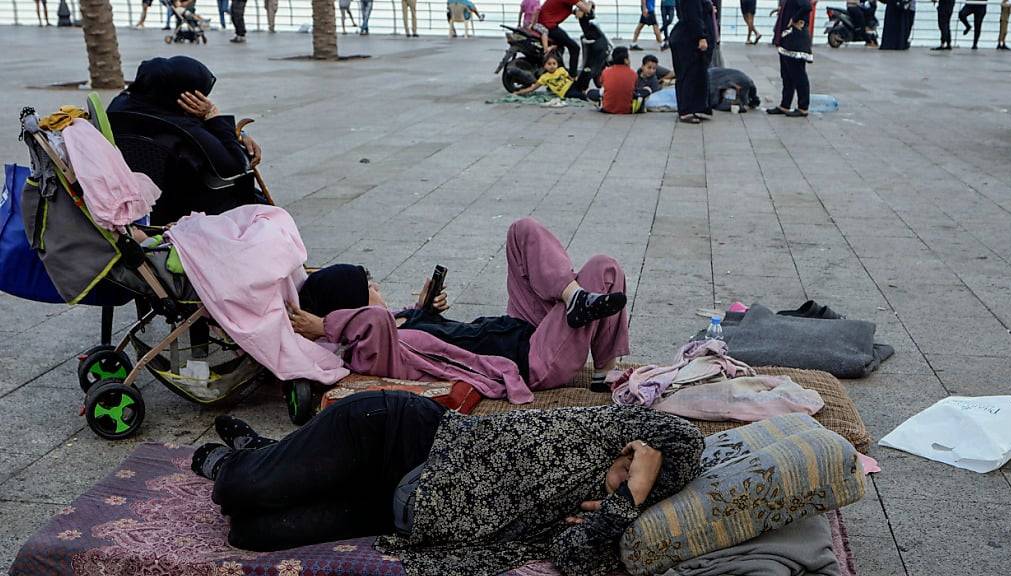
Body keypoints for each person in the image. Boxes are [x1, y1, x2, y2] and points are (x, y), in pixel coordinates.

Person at [191, 394, 704, 576]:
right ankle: (235, 459)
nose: (617, 482)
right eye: (627, 468)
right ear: (626, 446)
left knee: (249, 534)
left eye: (636, 483)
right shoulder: (577, 432)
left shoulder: (613, 508)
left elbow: (572, 559)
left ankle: (264, 453)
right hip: (390, 436)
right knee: (239, 492)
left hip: (389, 509)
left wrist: (628, 499)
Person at [292, 218, 629, 391]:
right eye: (368, 286)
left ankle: (573, 297)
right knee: (604, 268)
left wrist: (423, 311)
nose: (377, 286)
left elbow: (394, 326)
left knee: (521, 230)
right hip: (534, 360)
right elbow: (373, 326)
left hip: (522, 328)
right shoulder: (370, 349)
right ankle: (602, 364)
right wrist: (324, 326)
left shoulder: (398, 326)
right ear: (354, 309)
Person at [108, 56, 264, 225]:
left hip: (132, 208)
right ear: (185, 98)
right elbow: (236, 166)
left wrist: (241, 134)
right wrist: (213, 116)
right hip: (187, 213)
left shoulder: (122, 106)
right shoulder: (185, 129)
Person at [669, 0, 714, 123]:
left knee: (697, 73)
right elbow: (692, 14)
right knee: (689, 74)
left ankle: (697, 107)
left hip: (688, 36)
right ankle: (687, 110)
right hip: (688, 40)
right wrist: (701, 36)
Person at [767, 0, 812, 117]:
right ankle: (785, 104)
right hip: (787, 37)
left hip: (795, 38)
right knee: (787, 75)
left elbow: (807, 6)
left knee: (798, 74)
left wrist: (794, 19)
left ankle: (803, 107)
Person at [537, 0, 592, 77]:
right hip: (549, 26)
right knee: (575, 48)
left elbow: (567, 10)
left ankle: (557, 74)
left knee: (560, 46)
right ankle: (572, 76)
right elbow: (587, 9)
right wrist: (590, 3)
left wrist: (575, 11)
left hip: (545, 24)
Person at [514, 54, 589, 100]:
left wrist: (577, 81)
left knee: (585, 73)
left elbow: (570, 78)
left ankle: (583, 89)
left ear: (557, 64)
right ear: (544, 66)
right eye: (549, 64)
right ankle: (584, 93)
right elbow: (533, 88)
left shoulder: (561, 69)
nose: (552, 66)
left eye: (554, 63)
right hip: (566, 92)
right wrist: (519, 92)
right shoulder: (544, 77)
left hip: (572, 85)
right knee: (582, 96)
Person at [594, 47, 641, 113]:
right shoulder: (633, 73)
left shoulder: (606, 72)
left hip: (607, 109)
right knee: (645, 90)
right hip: (627, 110)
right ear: (626, 60)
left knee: (592, 93)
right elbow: (635, 88)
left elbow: (601, 84)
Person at [576, 2, 610, 90]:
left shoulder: (591, 16)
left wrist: (589, 4)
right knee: (590, 66)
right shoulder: (584, 13)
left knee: (594, 66)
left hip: (598, 43)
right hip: (593, 42)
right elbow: (579, 14)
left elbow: (589, 8)